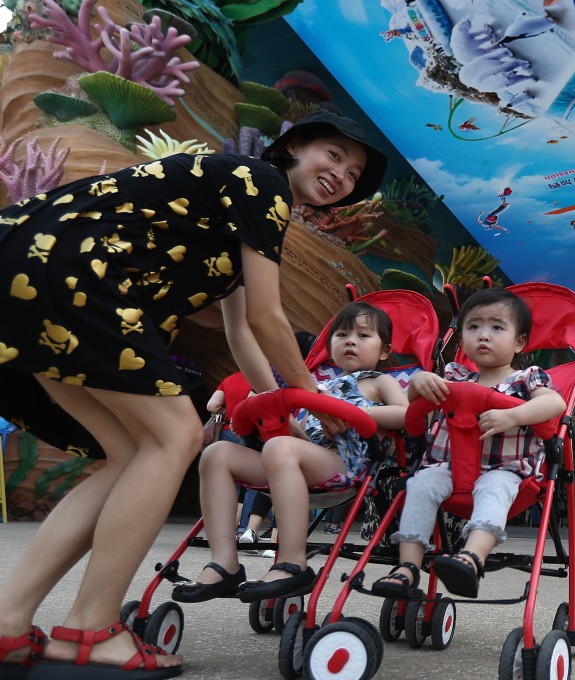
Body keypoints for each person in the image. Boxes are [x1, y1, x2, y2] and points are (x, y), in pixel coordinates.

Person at [0, 109, 387, 678]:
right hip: (74, 272)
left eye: (353, 174)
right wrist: (310, 396)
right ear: (295, 146)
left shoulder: (238, 204)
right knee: (175, 436)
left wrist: (283, 415)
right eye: (334, 155)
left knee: (128, 455)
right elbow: (270, 316)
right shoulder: (264, 182)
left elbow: (241, 330)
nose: (342, 176)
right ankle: (90, 630)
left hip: (31, 270)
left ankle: (9, 625)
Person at [172, 300, 408, 604]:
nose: (351, 340)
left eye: (363, 336)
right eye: (342, 335)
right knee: (217, 454)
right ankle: (224, 564)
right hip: (296, 460)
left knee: (280, 448)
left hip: (345, 465)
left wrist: (357, 411)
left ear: (385, 351)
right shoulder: (317, 384)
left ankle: (293, 561)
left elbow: (406, 416)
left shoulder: (380, 382)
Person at [370, 288, 566, 599]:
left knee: (494, 489)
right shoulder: (453, 377)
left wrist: (514, 415)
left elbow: (554, 404)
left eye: (497, 327)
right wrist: (418, 384)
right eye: (473, 327)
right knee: (419, 485)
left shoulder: (526, 378)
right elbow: (418, 407)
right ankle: (407, 566)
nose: (483, 335)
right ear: (461, 339)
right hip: (447, 466)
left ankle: (471, 557)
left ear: (519, 342)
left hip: (504, 469)